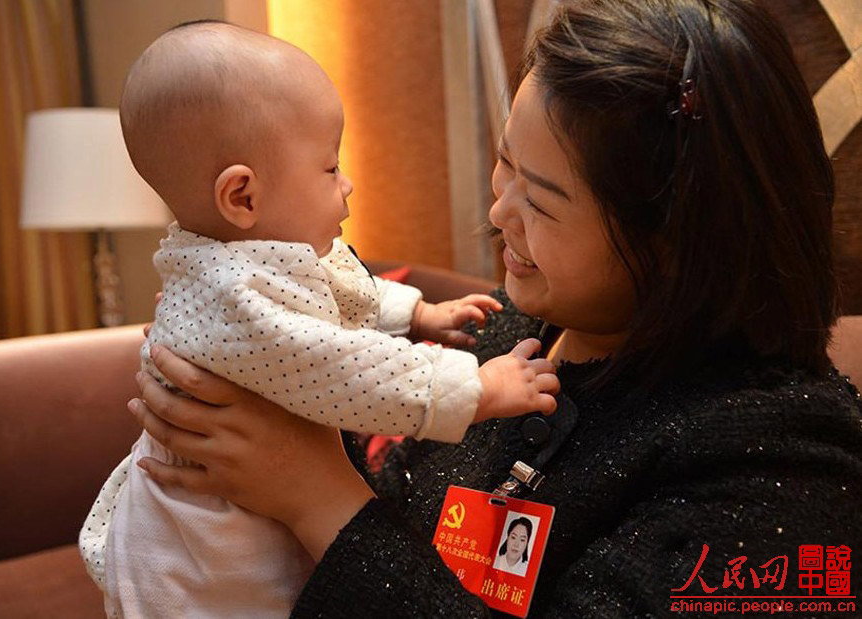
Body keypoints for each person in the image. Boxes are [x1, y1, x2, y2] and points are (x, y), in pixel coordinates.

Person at [126, 1, 862, 616]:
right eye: (505, 160)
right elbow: (408, 503)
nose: (498, 209)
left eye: (539, 199)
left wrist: (313, 495)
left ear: (680, 240)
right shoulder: (520, 328)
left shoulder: (782, 460)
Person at [78, 21, 561, 619]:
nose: (348, 184)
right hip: (201, 543)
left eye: (541, 196)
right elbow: (342, 365)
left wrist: (419, 312)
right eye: (331, 168)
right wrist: (478, 388)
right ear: (243, 197)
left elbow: (338, 290)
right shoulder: (234, 296)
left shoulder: (245, 256)